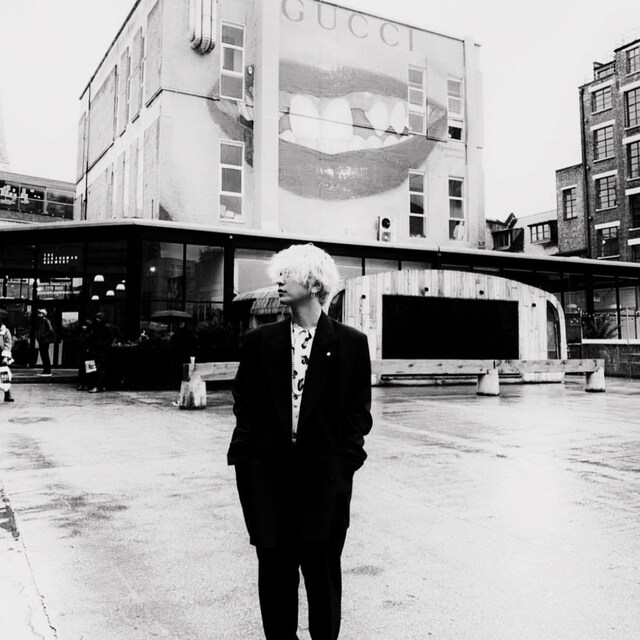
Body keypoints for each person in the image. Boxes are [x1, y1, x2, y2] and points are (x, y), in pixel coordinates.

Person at [227, 243, 373, 640]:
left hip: (324, 481)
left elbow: (358, 414)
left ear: (314, 283)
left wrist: (344, 464)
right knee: (275, 576)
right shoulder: (260, 342)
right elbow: (243, 402)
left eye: (288, 274)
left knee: (322, 576)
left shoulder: (351, 343)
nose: (279, 281)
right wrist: (247, 461)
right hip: (268, 479)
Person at [88, 312, 114, 393]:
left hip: (100, 350)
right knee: (94, 368)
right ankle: (95, 385)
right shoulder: (96, 327)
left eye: (99, 318)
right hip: (96, 349)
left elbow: (110, 339)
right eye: (97, 318)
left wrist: (102, 344)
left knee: (99, 368)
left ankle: (98, 385)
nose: (97, 319)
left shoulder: (105, 328)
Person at [36, 308, 55, 376]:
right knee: (43, 355)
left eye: (40, 313)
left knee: (45, 355)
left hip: (45, 341)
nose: (38, 314)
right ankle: (45, 370)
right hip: (42, 340)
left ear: (43, 314)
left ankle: (47, 370)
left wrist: (43, 335)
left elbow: (50, 330)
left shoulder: (46, 321)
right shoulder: (41, 321)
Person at [0, 312, 15, 402]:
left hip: (1, 355)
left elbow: (8, 344)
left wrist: (5, 356)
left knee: (4, 374)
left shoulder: (5, 331)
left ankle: (7, 394)